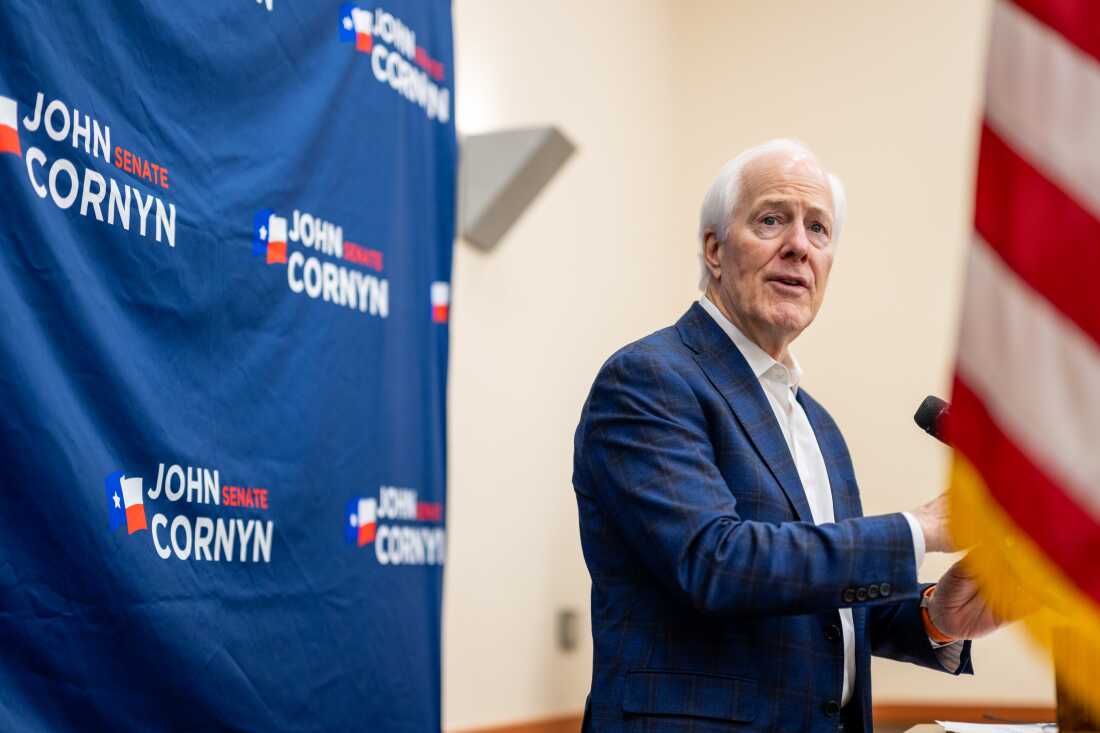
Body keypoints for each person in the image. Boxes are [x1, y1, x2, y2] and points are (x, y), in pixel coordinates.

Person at [572, 139, 1003, 733]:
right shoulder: (650, 379)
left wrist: (937, 616)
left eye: (819, 230)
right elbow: (716, 563)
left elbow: (818, 611)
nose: (799, 245)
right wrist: (921, 528)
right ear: (714, 250)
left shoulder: (816, 423)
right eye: (772, 219)